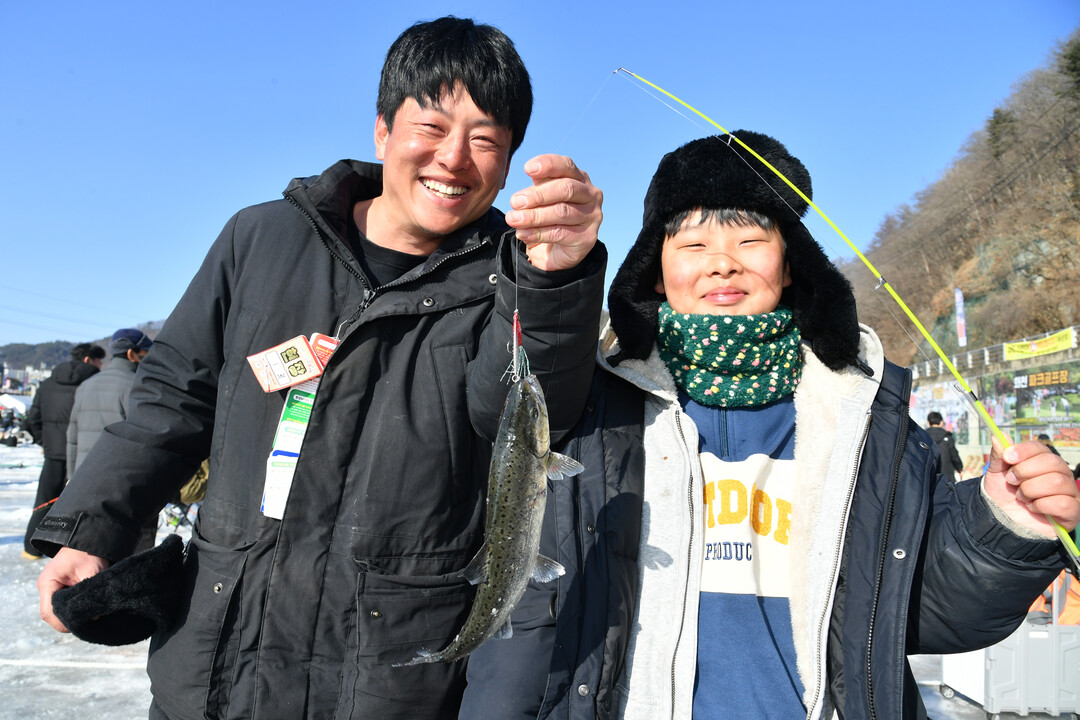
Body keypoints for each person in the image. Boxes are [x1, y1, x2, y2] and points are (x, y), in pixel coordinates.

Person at [31, 16, 605, 720]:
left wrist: (552, 282)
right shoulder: (261, 239)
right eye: (431, 127)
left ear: (509, 161)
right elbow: (172, 402)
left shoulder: (509, 280)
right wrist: (90, 528)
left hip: (388, 677)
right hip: (217, 661)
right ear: (382, 131)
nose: (454, 158)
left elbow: (523, 419)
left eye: (485, 140)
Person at [459, 131, 1080, 720]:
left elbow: (924, 612)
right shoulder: (593, 406)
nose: (722, 265)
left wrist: (1005, 527)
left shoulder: (866, 419)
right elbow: (507, 397)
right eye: (693, 246)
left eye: (750, 241)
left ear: (789, 266)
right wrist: (548, 281)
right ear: (654, 270)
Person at [66, 329, 155, 551]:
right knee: (132, 550)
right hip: (124, 487)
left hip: (85, 480)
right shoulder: (140, 386)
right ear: (132, 354)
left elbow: (72, 436)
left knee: (90, 548)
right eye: (146, 352)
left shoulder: (87, 385)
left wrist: (71, 477)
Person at [20, 342, 105, 559]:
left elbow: (33, 420)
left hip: (54, 454)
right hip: (84, 452)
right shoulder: (95, 383)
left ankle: (32, 549)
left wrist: (46, 443)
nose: (100, 365)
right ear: (88, 359)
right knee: (80, 505)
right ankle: (70, 552)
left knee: (44, 501)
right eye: (99, 360)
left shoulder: (47, 383)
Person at [926, 410, 964, 479]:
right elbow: (954, 455)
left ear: (928, 423)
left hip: (928, 478)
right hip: (946, 477)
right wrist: (959, 468)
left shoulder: (923, 437)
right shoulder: (947, 437)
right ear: (941, 422)